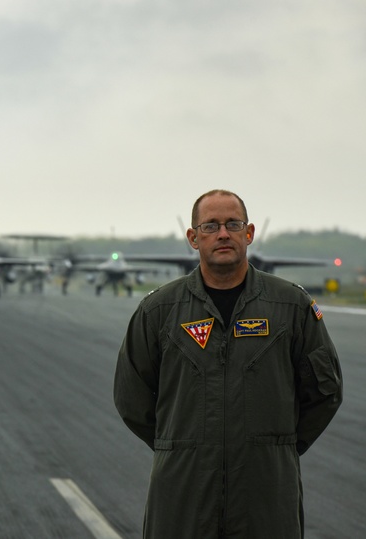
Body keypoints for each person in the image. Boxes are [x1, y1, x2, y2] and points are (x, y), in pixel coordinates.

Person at [113, 189, 343, 538]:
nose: (223, 234)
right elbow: (132, 397)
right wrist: (179, 446)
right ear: (193, 237)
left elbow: (325, 392)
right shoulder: (158, 311)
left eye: (233, 224)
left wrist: (276, 448)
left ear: (248, 233)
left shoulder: (292, 307)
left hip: (266, 496)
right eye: (210, 226)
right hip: (182, 493)